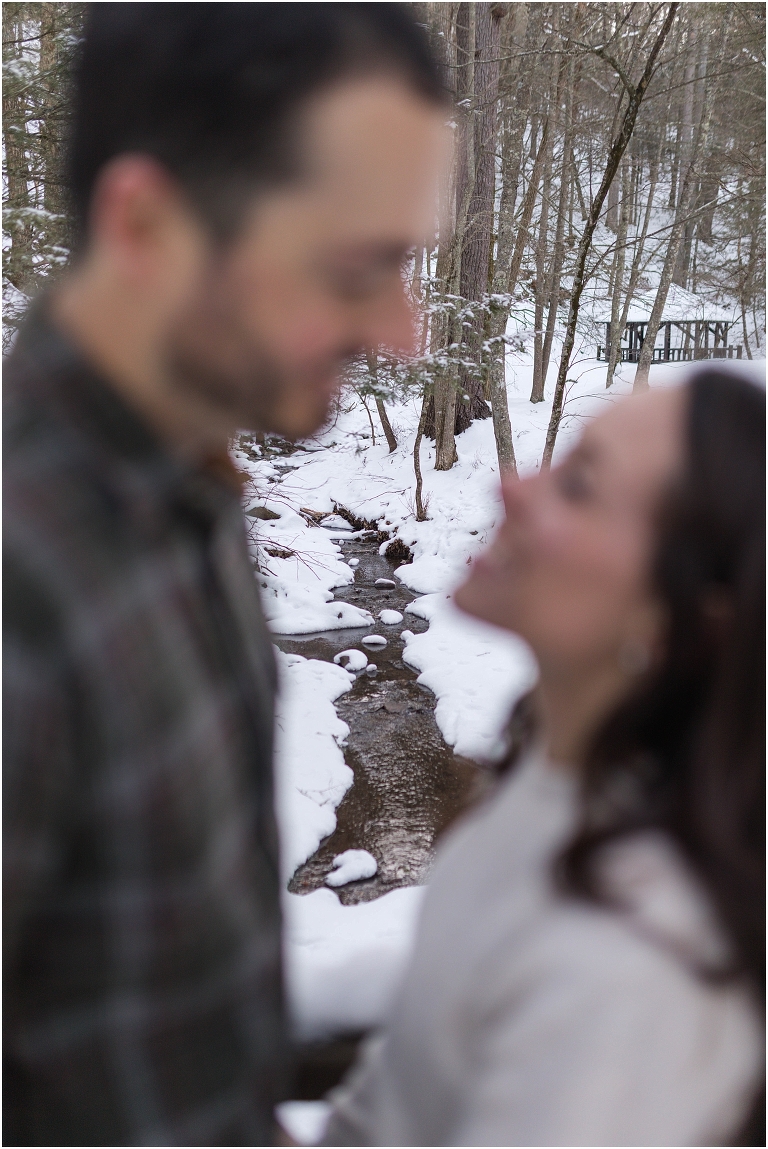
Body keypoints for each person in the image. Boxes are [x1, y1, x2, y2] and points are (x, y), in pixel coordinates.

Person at [3, 5, 448, 1144]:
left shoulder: (189, 491)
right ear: (148, 225)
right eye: (360, 266)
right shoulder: (24, 589)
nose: (403, 333)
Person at [323, 371, 765, 1147]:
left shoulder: (631, 969)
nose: (512, 487)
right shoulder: (550, 788)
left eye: (580, 483)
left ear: (683, 617)